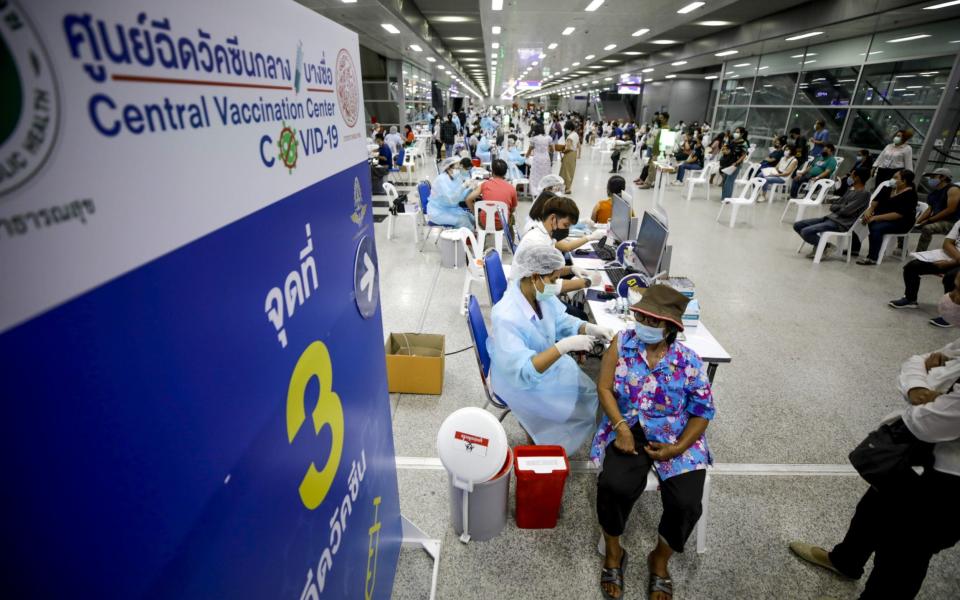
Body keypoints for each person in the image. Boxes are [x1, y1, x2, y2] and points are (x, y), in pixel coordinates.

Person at [789, 317, 960, 599]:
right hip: (914, 457)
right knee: (872, 509)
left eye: (956, 292)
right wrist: (919, 389)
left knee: (903, 555)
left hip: (946, 485)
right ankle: (845, 561)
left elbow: (927, 423)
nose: (950, 299)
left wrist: (924, 390)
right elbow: (917, 361)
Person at [592, 285, 716, 600]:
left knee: (687, 503)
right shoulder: (622, 344)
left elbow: (702, 412)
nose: (642, 323)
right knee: (613, 486)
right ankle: (614, 553)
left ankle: (659, 560)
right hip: (629, 426)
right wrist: (620, 426)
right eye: (640, 315)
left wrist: (677, 448)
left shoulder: (688, 361)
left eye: (651, 320)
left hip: (674, 434)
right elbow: (605, 388)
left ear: (670, 328)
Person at [487, 245, 612, 455]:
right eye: (553, 279)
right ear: (535, 276)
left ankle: (546, 440)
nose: (555, 285)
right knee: (583, 399)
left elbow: (562, 320)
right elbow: (524, 372)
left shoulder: (538, 294)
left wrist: (590, 328)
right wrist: (564, 346)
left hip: (540, 364)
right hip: (517, 380)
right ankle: (543, 444)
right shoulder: (507, 316)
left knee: (587, 391)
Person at [889, 225, 960, 326]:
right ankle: (910, 299)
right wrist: (955, 259)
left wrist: (951, 263)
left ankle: (952, 314)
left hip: (954, 261)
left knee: (951, 277)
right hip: (953, 256)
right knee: (912, 266)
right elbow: (947, 243)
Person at [793, 167, 871, 259]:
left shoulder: (864, 194)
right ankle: (824, 246)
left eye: (852, 175)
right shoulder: (851, 189)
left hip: (841, 223)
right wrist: (840, 206)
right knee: (798, 225)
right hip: (831, 218)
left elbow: (846, 211)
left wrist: (839, 206)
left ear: (857, 177)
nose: (850, 177)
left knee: (806, 231)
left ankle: (824, 246)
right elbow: (836, 204)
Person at [857, 169, 919, 265]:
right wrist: (868, 212)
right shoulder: (888, 188)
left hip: (900, 222)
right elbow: (874, 203)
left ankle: (872, 258)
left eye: (895, 177)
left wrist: (874, 218)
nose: (892, 179)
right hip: (880, 217)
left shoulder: (910, 195)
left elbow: (898, 214)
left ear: (904, 181)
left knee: (876, 227)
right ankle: (854, 249)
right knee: (860, 221)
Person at [914, 168, 959, 252]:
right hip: (938, 220)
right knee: (908, 223)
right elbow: (929, 210)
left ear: (943, 177)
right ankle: (901, 248)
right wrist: (917, 222)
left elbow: (950, 209)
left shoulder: (953, 190)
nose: (930, 179)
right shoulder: (934, 193)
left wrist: (929, 220)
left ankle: (920, 255)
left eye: (933, 177)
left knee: (927, 228)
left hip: (953, 222)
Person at [467, 159, 517, 230]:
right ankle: (511, 240)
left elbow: (468, 199)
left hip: (484, 222)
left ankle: (482, 238)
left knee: (482, 214)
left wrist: (475, 214)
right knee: (512, 219)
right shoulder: (511, 188)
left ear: (492, 172)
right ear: (505, 173)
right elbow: (513, 209)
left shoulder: (485, 184)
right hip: (502, 224)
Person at [426, 157, 474, 229]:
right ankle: (466, 239)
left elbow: (460, 196)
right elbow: (452, 199)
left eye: (459, 167)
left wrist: (470, 189)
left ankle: (472, 236)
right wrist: (463, 186)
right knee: (463, 221)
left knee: (471, 218)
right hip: (438, 212)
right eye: (457, 168)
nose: (459, 169)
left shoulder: (456, 178)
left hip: (451, 208)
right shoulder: (442, 180)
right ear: (449, 168)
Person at [527, 123, 554, 197]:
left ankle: (535, 191)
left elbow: (530, 150)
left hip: (537, 158)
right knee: (545, 172)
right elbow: (552, 149)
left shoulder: (534, 139)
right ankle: (546, 188)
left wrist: (526, 156)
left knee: (536, 174)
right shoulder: (548, 138)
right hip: (545, 157)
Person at [558, 121, 580, 194]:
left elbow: (569, 148)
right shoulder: (576, 134)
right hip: (574, 154)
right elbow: (578, 146)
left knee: (566, 171)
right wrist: (579, 155)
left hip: (569, 154)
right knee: (571, 171)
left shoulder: (570, 137)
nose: (566, 130)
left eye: (566, 129)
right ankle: (568, 187)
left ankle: (567, 188)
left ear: (570, 128)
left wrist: (562, 151)